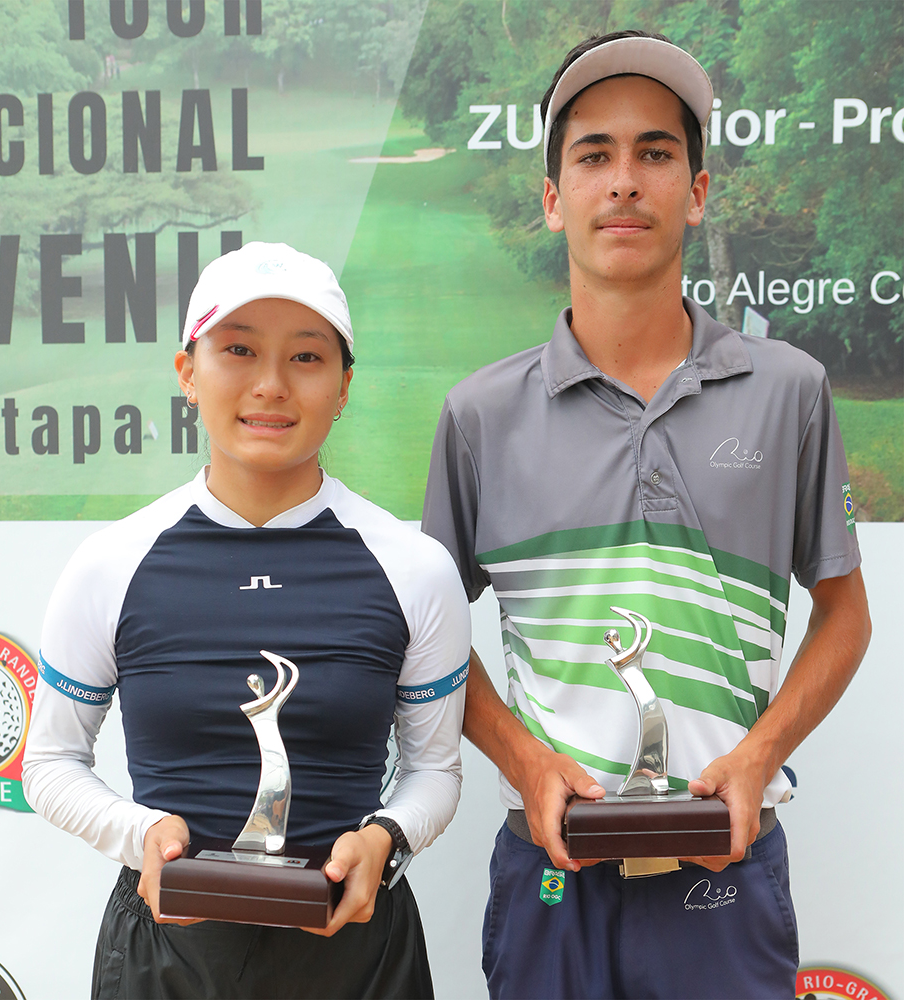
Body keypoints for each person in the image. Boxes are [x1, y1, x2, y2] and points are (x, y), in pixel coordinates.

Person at [421, 30, 871, 1000]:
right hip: (551, 883)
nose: (622, 180)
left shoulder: (787, 389)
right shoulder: (479, 415)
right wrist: (527, 761)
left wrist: (756, 758)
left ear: (697, 190)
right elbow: (426, 638)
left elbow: (845, 613)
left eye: (654, 153)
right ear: (552, 199)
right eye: (592, 155)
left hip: (724, 877)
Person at [23, 241, 471, 1000]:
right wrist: (142, 838)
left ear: (344, 385)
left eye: (305, 357)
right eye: (237, 350)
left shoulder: (414, 567)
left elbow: (434, 771)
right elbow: (49, 763)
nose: (270, 385)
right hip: (167, 956)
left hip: (357, 954)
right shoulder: (112, 562)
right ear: (187, 373)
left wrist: (385, 841)